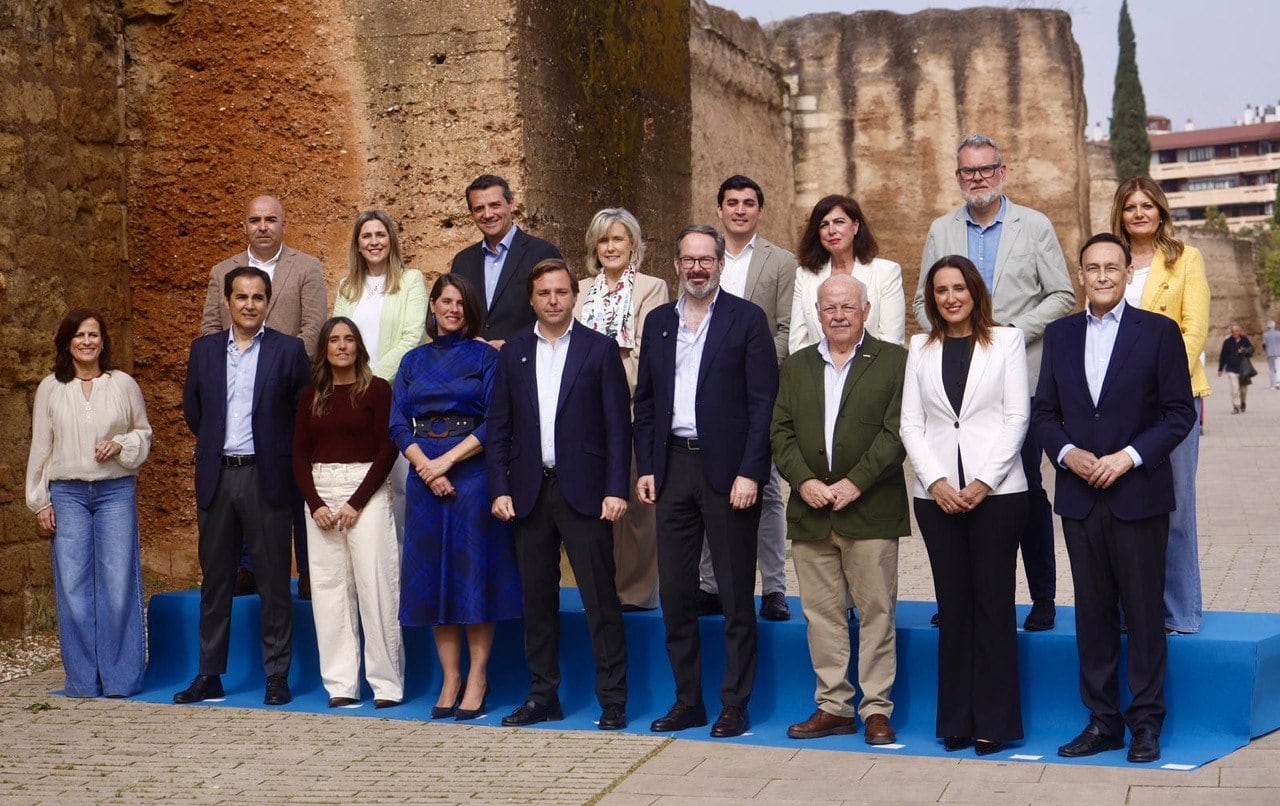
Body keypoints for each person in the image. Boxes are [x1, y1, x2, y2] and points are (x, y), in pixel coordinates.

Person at [1034, 233, 1195, 764]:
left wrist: (1128, 456)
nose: (1102, 276)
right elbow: (1044, 414)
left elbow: (1178, 413)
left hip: (1138, 494)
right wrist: (1066, 454)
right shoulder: (1059, 336)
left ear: (1128, 274)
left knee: (1145, 612)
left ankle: (1145, 722)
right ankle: (1102, 721)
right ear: (1080, 276)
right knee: (1093, 612)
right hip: (1080, 497)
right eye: (1092, 268)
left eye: (1112, 267)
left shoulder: (1159, 333)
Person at [914, 133, 1075, 632]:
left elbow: (1062, 294)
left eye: (986, 169)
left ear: (1003, 172)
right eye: (968, 171)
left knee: (1021, 491)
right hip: (954, 386)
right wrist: (953, 335)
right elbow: (923, 304)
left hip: (1017, 380)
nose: (978, 178)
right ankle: (954, 598)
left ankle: (1043, 597)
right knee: (953, 488)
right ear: (958, 177)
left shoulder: (1035, 225)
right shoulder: (942, 230)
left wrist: (1003, 335)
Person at [633, 225, 778, 739]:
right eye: (688, 259)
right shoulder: (657, 323)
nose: (697, 268)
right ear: (676, 264)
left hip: (728, 472)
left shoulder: (748, 320)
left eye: (706, 259)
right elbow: (646, 402)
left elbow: (764, 405)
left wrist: (750, 472)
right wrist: (646, 465)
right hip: (672, 468)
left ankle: (734, 705)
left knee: (738, 594)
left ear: (720, 264)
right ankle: (687, 701)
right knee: (675, 593)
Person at [489, 259, 632, 730]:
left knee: (600, 599)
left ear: (575, 296)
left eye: (561, 292)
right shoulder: (512, 354)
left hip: (588, 493)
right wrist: (500, 486)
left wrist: (616, 489)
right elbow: (500, 427)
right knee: (537, 601)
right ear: (532, 299)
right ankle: (542, 695)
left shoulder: (599, 350)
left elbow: (618, 429)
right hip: (529, 492)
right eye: (544, 293)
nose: (553, 300)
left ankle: (612, 698)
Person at [772, 275, 909, 746]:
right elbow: (780, 432)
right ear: (817, 311)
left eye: (848, 306)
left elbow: (896, 434)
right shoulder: (797, 366)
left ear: (866, 310)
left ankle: (876, 711)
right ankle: (834, 706)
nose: (839, 315)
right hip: (812, 512)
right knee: (822, 614)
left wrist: (856, 482)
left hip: (869, 510)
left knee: (876, 613)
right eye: (829, 307)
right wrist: (803, 480)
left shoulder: (894, 362)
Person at [900, 257, 1028, 755]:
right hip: (936, 498)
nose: (950, 297)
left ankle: (994, 721)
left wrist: (981, 482)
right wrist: (935, 481)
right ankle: (955, 718)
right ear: (931, 299)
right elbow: (911, 423)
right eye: (940, 290)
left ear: (974, 291)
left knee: (993, 606)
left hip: (998, 495)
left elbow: (1017, 417)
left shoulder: (1007, 341)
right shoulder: (920, 347)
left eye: (958, 288)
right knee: (952, 608)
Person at [176, 267, 312, 707]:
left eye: (258, 297)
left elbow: (302, 412)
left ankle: (277, 675)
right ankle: (209, 674)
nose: (249, 304)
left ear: (268, 302)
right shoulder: (204, 351)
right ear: (227, 302)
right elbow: (194, 411)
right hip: (217, 475)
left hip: (266, 476)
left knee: (274, 581)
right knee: (216, 580)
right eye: (241, 297)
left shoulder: (289, 351)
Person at [391, 274, 521, 720]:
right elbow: (396, 423)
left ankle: (479, 676)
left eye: (461, 303)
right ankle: (450, 677)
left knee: (472, 574)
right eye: (445, 301)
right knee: (435, 579)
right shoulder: (412, 360)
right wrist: (426, 467)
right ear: (432, 306)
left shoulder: (487, 357)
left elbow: (495, 420)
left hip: (472, 476)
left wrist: (444, 464)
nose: (453, 309)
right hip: (424, 476)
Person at [200, 195, 326, 597]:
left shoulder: (306, 268)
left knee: (293, 486)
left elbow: (313, 329)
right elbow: (208, 329)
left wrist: (276, 365)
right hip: (235, 396)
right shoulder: (223, 270)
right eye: (254, 219)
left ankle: (307, 573)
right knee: (241, 488)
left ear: (284, 224)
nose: (263, 226)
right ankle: (245, 570)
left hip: (289, 393)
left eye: (271, 219)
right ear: (244, 226)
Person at [25, 309, 152, 698]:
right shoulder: (50, 387)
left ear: (103, 341)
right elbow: (41, 447)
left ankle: (120, 679)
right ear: (67, 342)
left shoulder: (122, 384)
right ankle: (82, 680)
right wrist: (39, 500)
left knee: (118, 583)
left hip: (115, 490)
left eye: (93, 335)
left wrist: (121, 444)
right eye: (79, 335)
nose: (86, 341)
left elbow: (143, 433)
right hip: (67, 493)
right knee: (73, 585)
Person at [1110, 177, 1211, 635]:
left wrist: (1162, 386)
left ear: (1161, 210)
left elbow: (1194, 327)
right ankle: (1128, 610)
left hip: (1172, 402)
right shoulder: (1111, 260)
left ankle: (1179, 611)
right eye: (1130, 206)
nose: (1139, 213)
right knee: (1120, 510)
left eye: (1147, 205)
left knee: (1175, 508)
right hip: (1115, 403)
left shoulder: (1186, 259)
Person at [695, 175, 797, 622]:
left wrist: (747, 359)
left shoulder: (782, 263)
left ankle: (773, 587)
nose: (740, 210)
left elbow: (788, 329)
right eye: (732, 203)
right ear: (719, 209)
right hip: (706, 391)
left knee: (768, 487)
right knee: (706, 483)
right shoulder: (699, 255)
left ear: (760, 211)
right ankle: (710, 584)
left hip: (758, 387)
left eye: (749, 203)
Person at [292, 317, 403, 709]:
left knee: (376, 585)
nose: (342, 346)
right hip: (321, 491)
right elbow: (299, 455)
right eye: (334, 340)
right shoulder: (311, 396)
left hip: (365, 490)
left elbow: (389, 448)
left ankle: (387, 685)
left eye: (349, 339)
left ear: (359, 346)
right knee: (328, 590)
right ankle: (341, 684)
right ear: (324, 349)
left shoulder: (376, 390)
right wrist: (315, 503)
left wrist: (357, 501)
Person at [573, 207, 667, 611]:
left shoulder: (651, 287)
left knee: (636, 507)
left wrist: (601, 369)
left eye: (619, 239)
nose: (611, 247)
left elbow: (647, 354)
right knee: (596, 503)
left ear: (633, 245)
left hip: (632, 408)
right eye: (604, 240)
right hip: (584, 414)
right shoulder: (577, 290)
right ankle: (603, 588)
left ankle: (636, 592)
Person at [332, 210, 427, 541]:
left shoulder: (411, 280)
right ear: (358, 245)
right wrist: (354, 386)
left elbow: (412, 337)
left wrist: (369, 382)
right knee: (357, 481)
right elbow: (338, 339)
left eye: (380, 234)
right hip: (354, 400)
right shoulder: (347, 287)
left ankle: (405, 576)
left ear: (391, 240)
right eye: (366, 236)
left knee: (402, 484)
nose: (374, 242)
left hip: (398, 396)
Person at [449, 174, 563, 348]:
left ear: (511, 204)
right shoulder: (462, 261)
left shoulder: (542, 253)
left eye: (495, 205)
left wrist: (511, 343)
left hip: (525, 360)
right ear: (471, 213)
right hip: (473, 365)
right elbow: (456, 314)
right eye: (479, 208)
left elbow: (557, 312)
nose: (488, 214)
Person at [790, 194, 904, 351]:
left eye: (839, 222)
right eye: (824, 225)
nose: (831, 231)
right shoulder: (804, 276)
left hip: (872, 372)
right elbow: (798, 342)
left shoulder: (886, 273)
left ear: (855, 226)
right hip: (816, 372)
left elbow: (891, 341)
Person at [1219, 324, 1256, 414]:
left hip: (1243, 369)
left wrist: (1244, 350)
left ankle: (1243, 402)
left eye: (1236, 331)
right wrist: (1220, 368)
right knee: (1234, 389)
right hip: (1231, 368)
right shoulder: (1227, 342)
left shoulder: (1244, 340)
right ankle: (1236, 406)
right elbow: (1223, 355)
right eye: (1233, 331)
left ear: (1239, 331)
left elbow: (1251, 351)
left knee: (1243, 390)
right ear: (1231, 332)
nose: (1235, 333)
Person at [1262, 320, 1280, 389]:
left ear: (1268, 326)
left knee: (1271, 369)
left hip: (1269, 354)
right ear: (1274, 325)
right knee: (1278, 368)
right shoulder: (1279, 333)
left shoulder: (1265, 334)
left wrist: (1266, 351)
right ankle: (1278, 383)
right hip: (1278, 353)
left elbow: (1264, 345)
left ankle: (1272, 385)